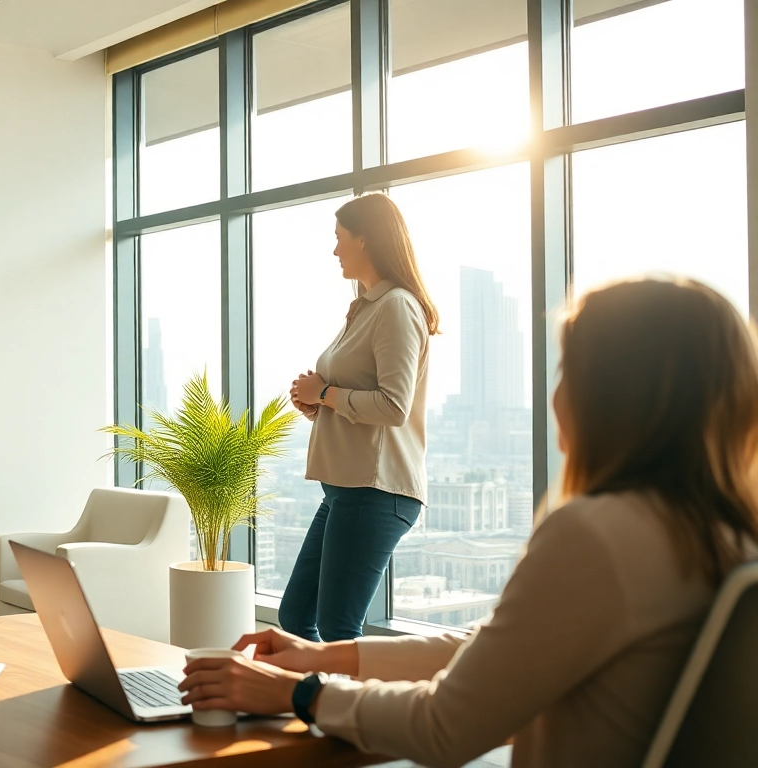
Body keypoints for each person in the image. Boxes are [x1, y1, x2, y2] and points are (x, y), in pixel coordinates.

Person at [180, 277, 758, 767]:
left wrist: (300, 693)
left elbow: (444, 727)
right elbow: (496, 649)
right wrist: (325, 657)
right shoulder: (716, 535)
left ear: (612, 395)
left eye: (567, 371)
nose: (555, 397)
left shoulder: (596, 534)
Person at [281, 193, 440, 642]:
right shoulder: (364, 308)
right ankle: (318, 709)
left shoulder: (396, 307)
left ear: (365, 240)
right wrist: (317, 405)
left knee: (337, 628)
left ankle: (352, 712)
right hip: (345, 490)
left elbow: (393, 406)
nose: (334, 250)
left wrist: (328, 393)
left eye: (340, 239)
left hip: (376, 491)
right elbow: (360, 406)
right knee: (296, 620)